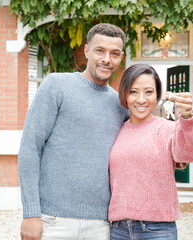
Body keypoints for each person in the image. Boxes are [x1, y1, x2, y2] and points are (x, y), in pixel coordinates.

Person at [18, 23, 128, 240]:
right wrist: (31, 214)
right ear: (87, 51)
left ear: (121, 57)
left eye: (114, 53)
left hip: (101, 225)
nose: (107, 59)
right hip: (53, 221)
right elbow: (30, 148)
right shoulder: (56, 86)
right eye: (100, 51)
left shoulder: (120, 104)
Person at [108, 64, 193, 240]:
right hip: (118, 229)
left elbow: (188, 154)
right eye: (133, 92)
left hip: (157, 231)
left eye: (148, 92)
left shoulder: (166, 129)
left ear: (157, 95)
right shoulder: (116, 130)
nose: (141, 99)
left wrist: (188, 117)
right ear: (124, 94)